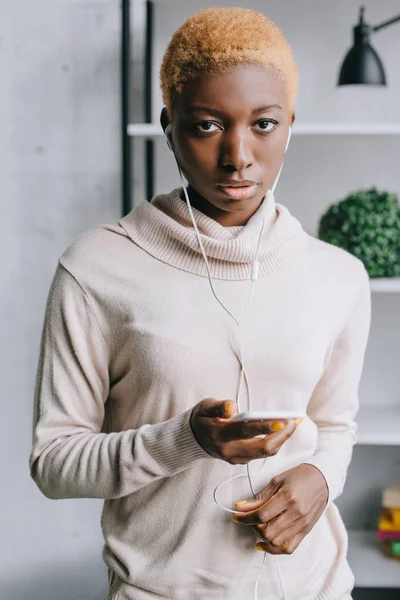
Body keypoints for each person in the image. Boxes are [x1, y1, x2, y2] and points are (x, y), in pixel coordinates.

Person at [29, 7, 371, 600]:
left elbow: (335, 426)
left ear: (290, 123)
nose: (238, 155)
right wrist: (186, 440)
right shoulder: (96, 269)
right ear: (169, 126)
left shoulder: (338, 275)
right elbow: (54, 463)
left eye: (263, 124)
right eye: (208, 125)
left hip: (317, 588)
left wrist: (319, 475)